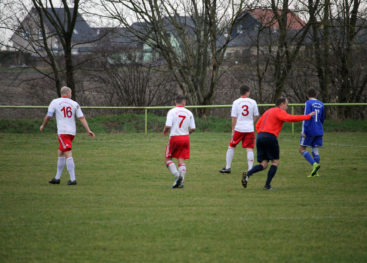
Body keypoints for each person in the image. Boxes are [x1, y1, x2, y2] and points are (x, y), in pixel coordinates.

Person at [242, 97, 316, 190]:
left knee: (264, 164)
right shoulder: (279, 111)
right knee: (275, 162)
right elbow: (290, 118)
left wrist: (262, 134)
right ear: (281, 104)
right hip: (270, 137)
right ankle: (267, 186)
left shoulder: (268, 111)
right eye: (286, 105)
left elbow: (257, 125)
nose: (287, 107)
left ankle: (248, 174)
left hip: (260, 137)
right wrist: (308, 116)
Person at [40, 86, 95, 185]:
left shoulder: (55, 102)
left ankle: (73, 179)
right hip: (72, 132)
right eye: (71, 93)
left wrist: (43, 125)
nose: (71, 94)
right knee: (60, 152)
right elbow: (81, 118)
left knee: (67, 153)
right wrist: (88, 130)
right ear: (68, 93)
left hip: (63, 131)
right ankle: (57, 178)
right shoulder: (75, 104)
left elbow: (48, 115)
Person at [219, 85, 259, 174]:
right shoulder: (253, 102)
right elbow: (256, 115)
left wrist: (233, 130)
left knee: (231, 146)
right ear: (247, 92)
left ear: (240, 92)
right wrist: (251, 122)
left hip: (239, 128)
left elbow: (234, 117)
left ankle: (228, 167)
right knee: (249, 148)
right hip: (249, 128)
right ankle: (250, 169)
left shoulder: (236, 102)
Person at [163, 95, 196, 188]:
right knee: (181, 159)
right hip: (185, 138)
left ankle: (178, 177)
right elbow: (193, 128)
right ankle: (181, 183)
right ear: (184, 102)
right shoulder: (189, 112)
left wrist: (165, 130)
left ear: (175, 102)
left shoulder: (172, 111)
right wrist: (186, 132)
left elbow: (168, 125)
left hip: (175, 137)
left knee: (167, 159)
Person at [299, 89, 325, 177]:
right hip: (319, 129)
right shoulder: (321, 104)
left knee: (302, 149)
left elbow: (306, 116)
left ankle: (314, 164)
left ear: (307, 95)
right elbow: (322, 118)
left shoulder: (308, 103)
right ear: (316, 94)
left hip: (310, 130)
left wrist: (303, 131)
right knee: (315, 150)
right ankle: (316, 172)